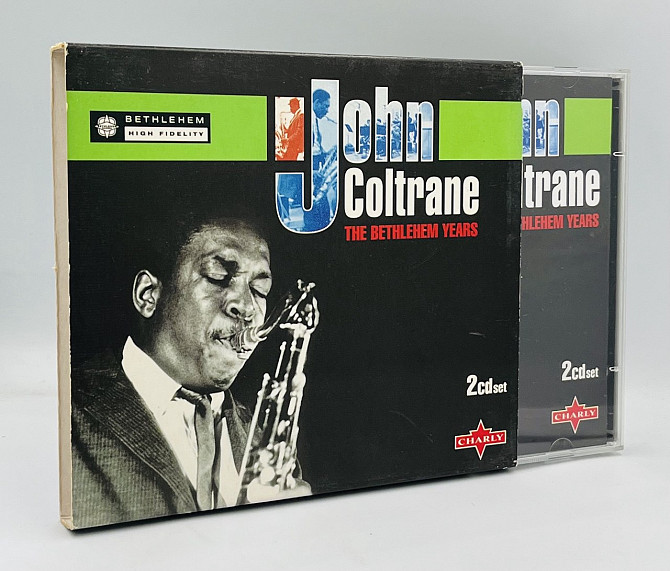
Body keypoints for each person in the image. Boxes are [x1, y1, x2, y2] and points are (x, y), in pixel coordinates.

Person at [70, 216, 307, 527]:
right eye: (219, 276)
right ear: (148, 295)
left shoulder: (267, 440)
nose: (248, 308)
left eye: (260, 290)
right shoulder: (64, 413)